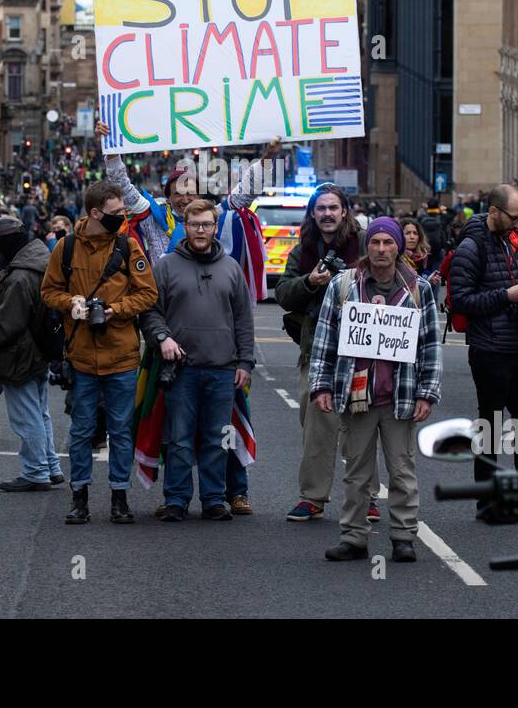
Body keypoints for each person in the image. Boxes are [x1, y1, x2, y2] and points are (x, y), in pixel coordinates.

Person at [310, 218, 441, 562]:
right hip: (357, 396)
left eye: (388, 243)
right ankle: (353, 537)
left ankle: (403, 536)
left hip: (400, 394)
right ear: (367, 247)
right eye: (375, 243)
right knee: (356, 473)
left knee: (402, 471)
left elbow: (429, 346)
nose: (381, 249)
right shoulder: (343, 285)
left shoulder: (418, 288)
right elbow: (324, 340)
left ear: (399, 247)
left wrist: (427, 392)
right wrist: (321, 386)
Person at [40, 181, 158, 525]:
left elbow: (148, 295)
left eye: (123, 212)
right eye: (116, 213)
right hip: (80, 355)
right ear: (94, 213)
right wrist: (71, 303)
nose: (122, 217)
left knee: (121, 430)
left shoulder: (128, 245)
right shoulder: (66, 248)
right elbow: (48, 291)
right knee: (81, 430)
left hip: (121, 355)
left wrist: (115, 310)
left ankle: (119, 498)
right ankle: (79, 499)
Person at [139, 199, 255, 522]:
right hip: (181, 370)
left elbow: (244, 320)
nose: (201, 230)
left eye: (206, 224)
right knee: (178, 437)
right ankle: (176, 499)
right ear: (185, 227)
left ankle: (214, 499)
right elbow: (149, 312)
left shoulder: (231, 268)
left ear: (215, 228)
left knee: (218, 438)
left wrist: (245, 363)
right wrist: (162, 338)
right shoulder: (164, 266)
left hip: (223, 370)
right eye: (194, 225)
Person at [276, 184, 380, 522]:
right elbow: (283, 294)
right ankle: (313, 497)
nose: (327, 214)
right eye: (320, 208)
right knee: (316, 421)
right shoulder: (303, 249)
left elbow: (399, 277)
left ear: (345, 211)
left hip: (363, 349)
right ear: (313, 214)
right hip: (318, 350)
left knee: (361, 423)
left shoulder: (367, 242)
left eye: (333, 207)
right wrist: (310, 281)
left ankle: (366, 497)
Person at [448, 184, 518, 522]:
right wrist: (506, 296)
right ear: (494, 212)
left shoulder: (517, 243)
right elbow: (460, 300)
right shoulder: (471, 248)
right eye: (514, 217)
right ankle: (487, 501)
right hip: (489, 349)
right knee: (491, 424)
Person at [0, 216, 64, 489]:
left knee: (26, 417)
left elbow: (8, 324)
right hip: (41, 350)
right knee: (40, 413)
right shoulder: (39, 260)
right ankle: (50, 465)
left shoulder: (20, 276)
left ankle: (35, 472)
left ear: (8, 241)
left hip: (21, 355)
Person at [418, 198, 448, 272]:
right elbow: (453, 213)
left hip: (425, 247)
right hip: (438, 248)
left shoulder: (422, 218)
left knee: (425, 269)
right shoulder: (442, 218)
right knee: (437, 270)